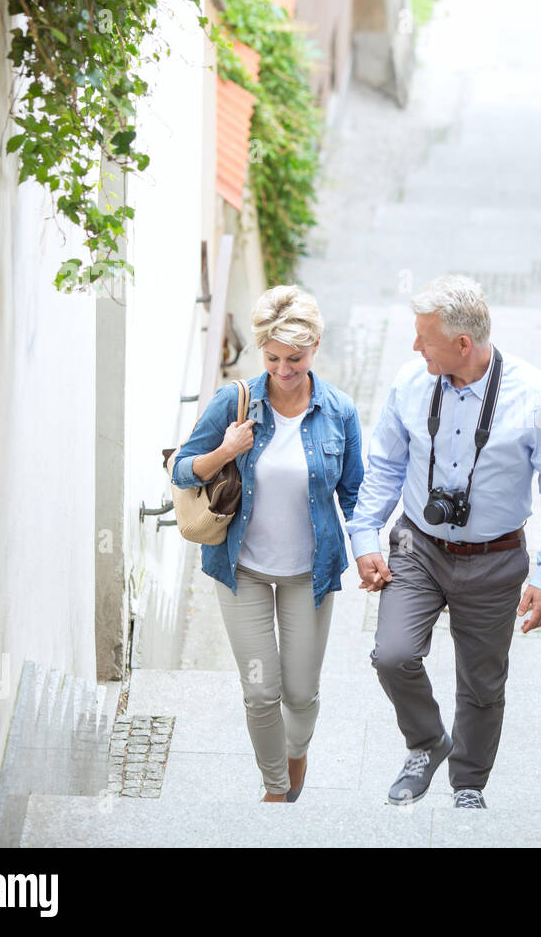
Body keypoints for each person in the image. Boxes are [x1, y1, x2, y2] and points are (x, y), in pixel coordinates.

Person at [346, 274, 541, 809]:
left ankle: (468, 786)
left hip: (495, 560)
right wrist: (365, 538)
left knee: (481, 683)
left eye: (423, 337)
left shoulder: (535, 395)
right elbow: (384, 464)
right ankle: (428, 743)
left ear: (462, 344)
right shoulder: (411, 383)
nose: (413, 346)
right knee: (393, 655)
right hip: (417, 547)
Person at [170, 285, 364, 802]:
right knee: (261, 691)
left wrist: (372, 553)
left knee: (300, 693)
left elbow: (356, 493)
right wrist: (225, 451)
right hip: (243, 571)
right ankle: (275, 789)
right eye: (273, 357)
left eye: (295, 359)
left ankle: (296, 752)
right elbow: (181, 468)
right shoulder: (233, 402)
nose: (283, 369)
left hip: (310, 572)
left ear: (316, 346)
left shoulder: (339, 413)